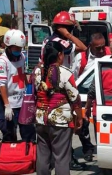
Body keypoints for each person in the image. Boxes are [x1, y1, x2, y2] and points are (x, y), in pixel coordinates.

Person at [40, 11, 87, 170]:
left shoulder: (47, 40)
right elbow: (83, 47)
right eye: (70, 28)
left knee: (44, 152)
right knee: (62, 151)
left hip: (44, 96)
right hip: (62, 90)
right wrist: (67, 34)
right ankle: (69, 159)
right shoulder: (62, 42)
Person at [34, 41, 83, 175]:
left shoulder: (37, 72)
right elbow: (75, 99)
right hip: (60, 122)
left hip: (41, 119)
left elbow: (35, 94)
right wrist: (80, 117)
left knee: (43, 156)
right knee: (61, 158)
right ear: (60, 55)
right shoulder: (65, 73)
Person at [70, 32, 110, 162]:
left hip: (104, 94)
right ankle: (87, 149)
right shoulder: (81, 58)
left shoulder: (109, 54)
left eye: (103, 46)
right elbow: (75, 78)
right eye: (98, 48)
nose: (101, 50)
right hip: (84, 93)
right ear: (90, 46)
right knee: (83, 124)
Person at [0, 29, 36, 142]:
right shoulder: (2, 61)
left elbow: (22, 75)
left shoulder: (22, 57)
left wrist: (29, 92)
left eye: (20, 48)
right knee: (9, 132)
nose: (18, 51)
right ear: (8, 45)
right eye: (16, 48)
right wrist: (7, 105)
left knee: (28, 129)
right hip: (8, 101)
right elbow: (1, 84)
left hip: (21, 99)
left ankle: (29, 151)